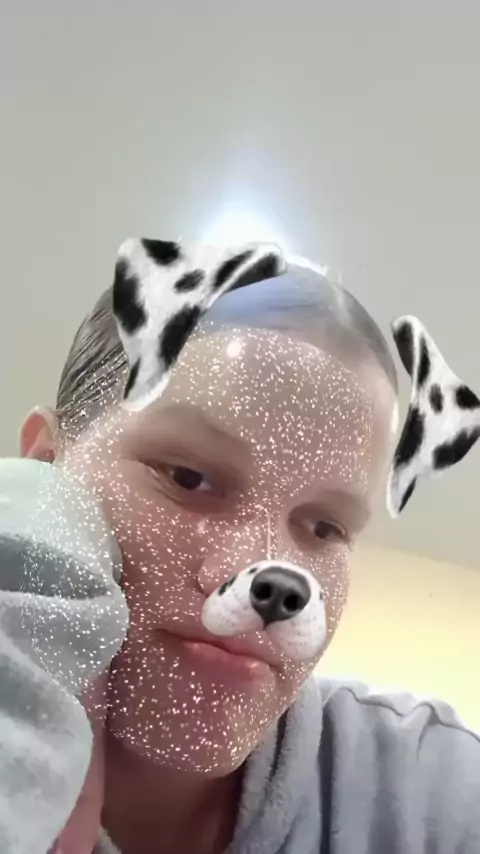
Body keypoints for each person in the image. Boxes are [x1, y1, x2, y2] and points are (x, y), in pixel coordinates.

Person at [5, 258, 480, 854]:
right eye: (188, 477)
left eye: (326, 527)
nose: (271, 574)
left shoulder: (433, 791)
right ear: (45, 464)